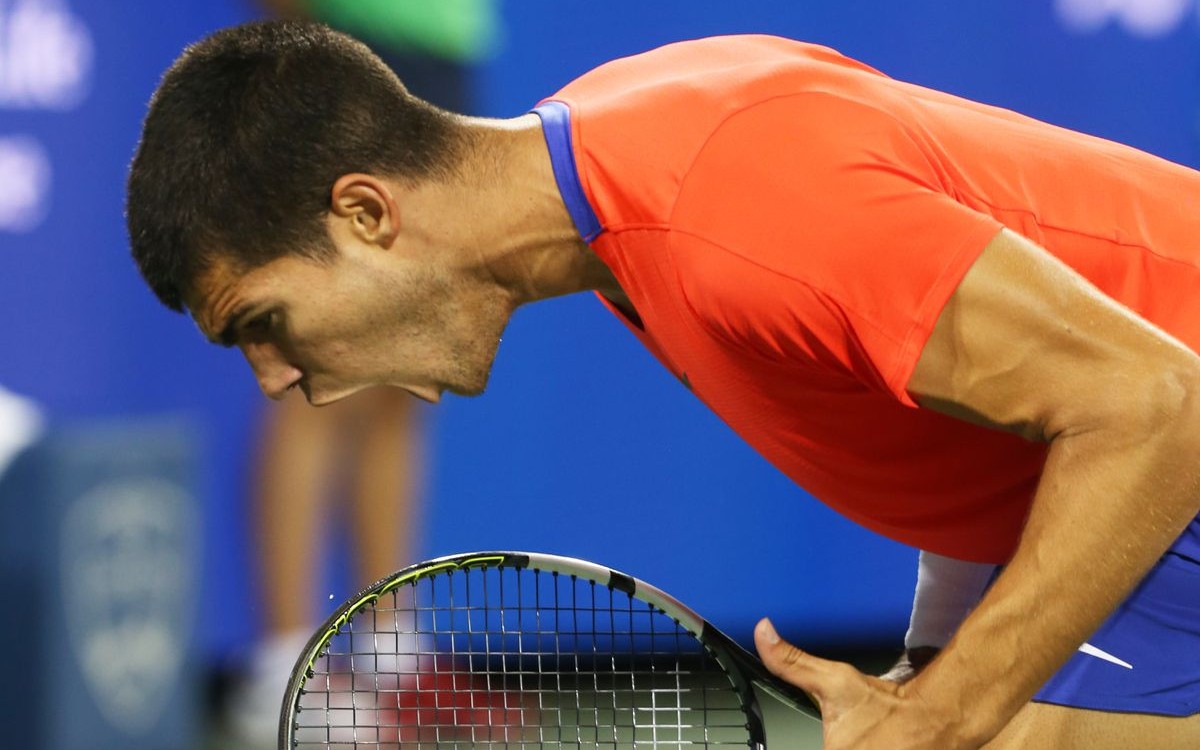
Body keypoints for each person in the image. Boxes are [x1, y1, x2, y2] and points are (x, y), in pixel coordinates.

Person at [125, 22, 1200, 749]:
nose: (276, 380)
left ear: (366, 213)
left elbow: (1156, 403)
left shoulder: (721, 206)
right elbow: (963, 402)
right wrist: (940, 664)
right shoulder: (608, 175)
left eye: (264, 325)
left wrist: (948, 711)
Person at [223, 3, 498, 748]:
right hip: (342, 50)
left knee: (404, 376)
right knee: (315, 372)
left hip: (442, 48)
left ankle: (390, 658)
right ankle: (285, 676)